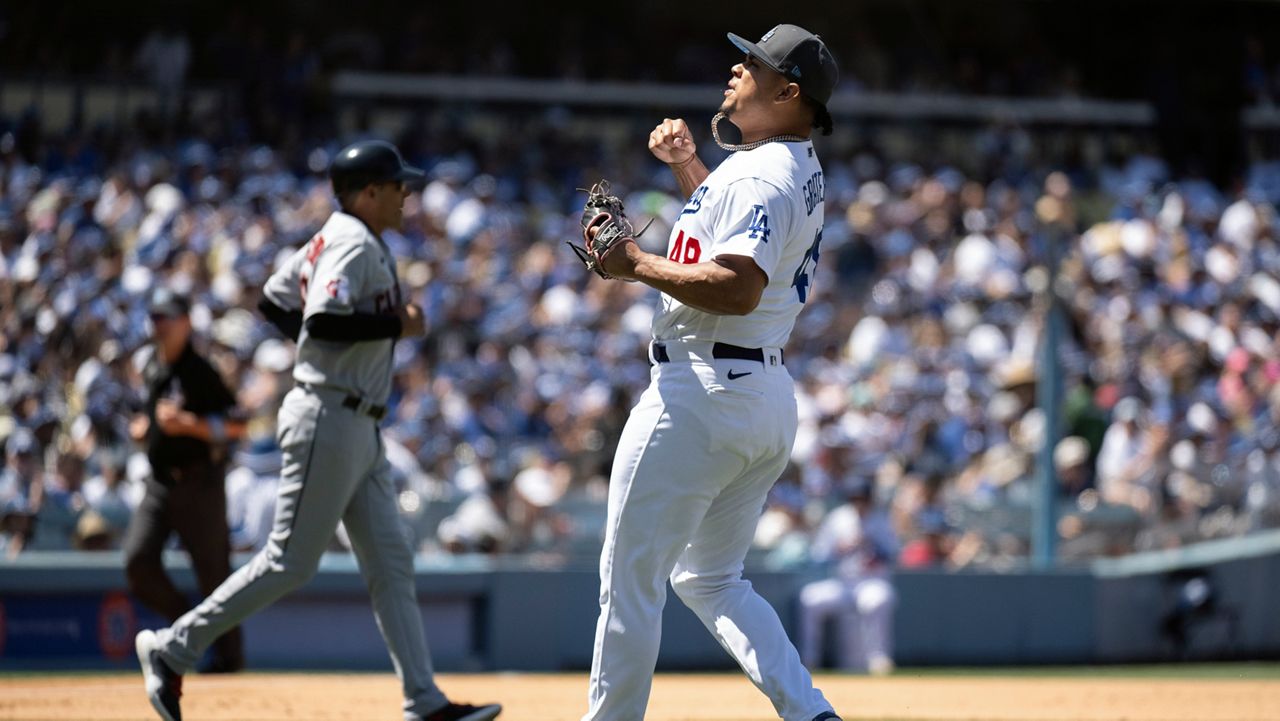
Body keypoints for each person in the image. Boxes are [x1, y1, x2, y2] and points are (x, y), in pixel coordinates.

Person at [134, 140, 501, 721]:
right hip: (328, 415)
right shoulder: (352, 240)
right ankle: (173, 648)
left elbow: (276, 302)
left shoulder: (338, 235)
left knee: (390, 561)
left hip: (357, 423)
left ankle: (424, 701)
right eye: (396, 185)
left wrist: (327, 354)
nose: (406, 194)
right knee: (290, 561)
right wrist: (392, 325)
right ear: (369, 192)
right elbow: (322, 319)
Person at [580, 24, 843, 721]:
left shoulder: (761, 171)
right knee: (710, 577)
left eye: (753, 63)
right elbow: (736, 242)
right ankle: (810, 711)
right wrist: (689, 169)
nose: (737, 67)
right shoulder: (789, 163)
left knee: (630, 578)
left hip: (698, 393)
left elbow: (736, 285)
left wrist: (632, 263)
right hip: (760, 395)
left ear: (787, 91)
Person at [124, 287, 247, 675]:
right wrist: (146, 429)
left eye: (167, 319)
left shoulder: (201, 371)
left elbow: (237, 426)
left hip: (200, 485)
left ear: (186, 323)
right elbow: (152, 417)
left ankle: (229, 659)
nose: (159, 325)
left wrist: (189, 426)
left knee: (215, 576)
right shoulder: (153, 367)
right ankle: (188, 623)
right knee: (138, 561)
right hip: (159, 485)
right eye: (155, 318)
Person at [797, 478, 898, 675]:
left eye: (863, 498)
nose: (859, 503)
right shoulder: (838, 519)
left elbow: (893, 553)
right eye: (854, 498)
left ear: (870, 499)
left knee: (879, 599)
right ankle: (809, 659)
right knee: (810, 599)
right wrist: (839, 548)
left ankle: (878, 659)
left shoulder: (881, 520)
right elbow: (819, 555)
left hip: (871, 581)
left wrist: (873, 548)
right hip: (842, 582)